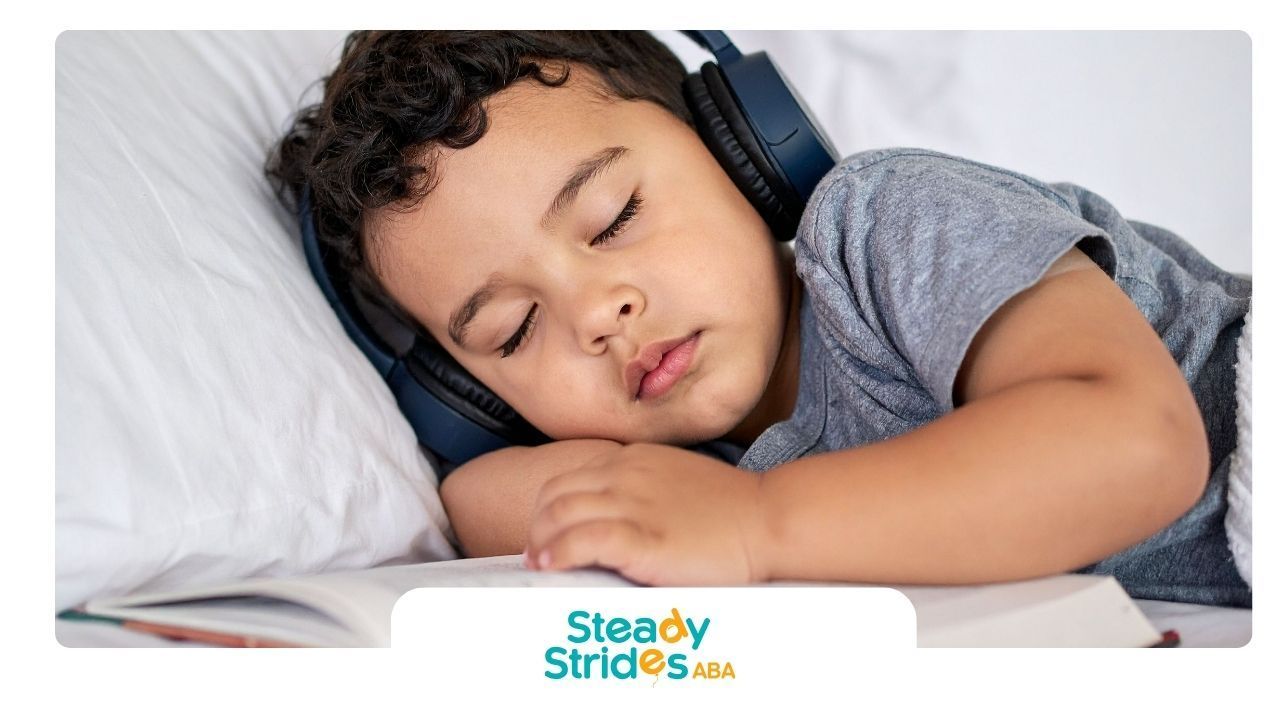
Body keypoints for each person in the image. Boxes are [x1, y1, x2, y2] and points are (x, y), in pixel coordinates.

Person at [267, 31, 1251, 607]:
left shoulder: (881, 224)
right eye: (511, 333)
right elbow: (487, 500)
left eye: (614, 219)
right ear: (467, 397)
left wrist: (759, 527)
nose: (599, 316)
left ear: (742, 154)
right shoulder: (689, 469)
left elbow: (1135, 444)